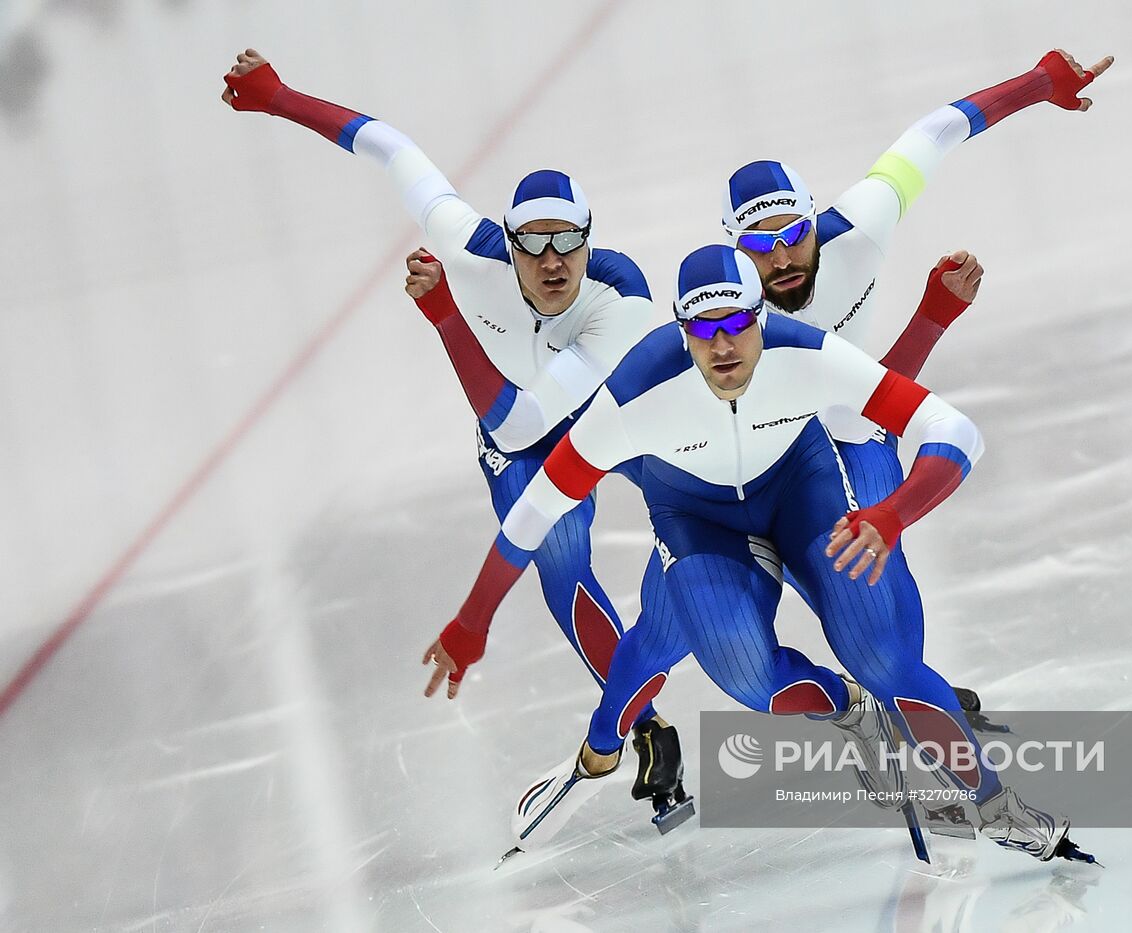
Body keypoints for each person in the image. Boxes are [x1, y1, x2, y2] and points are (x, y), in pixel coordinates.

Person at [424, 246, 1093, 865]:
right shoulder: (631, 398)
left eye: (738, 323)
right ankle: (843, 706)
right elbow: (532, 516)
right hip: (697, 522)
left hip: (800, 491)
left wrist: (891, 514)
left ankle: (996, 805)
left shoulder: (809, 353)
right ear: (681, 331)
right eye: (703, 329)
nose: (722, 346)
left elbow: (956, 432)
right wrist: (472, 621)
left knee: (885, 654)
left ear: (763, 318)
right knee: (738, 673)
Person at [220, 49, 682, 801]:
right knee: (562, 573)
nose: (551, 260)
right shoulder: (474, 252)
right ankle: (649, 726)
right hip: (523, 447)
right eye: (532, 243)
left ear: (591, 240)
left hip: (600, 418)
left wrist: (443, 319)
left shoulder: (620, 296)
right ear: (507, 241)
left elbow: (529, 413)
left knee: (714, 507)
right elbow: (389, 146)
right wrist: (279, 98)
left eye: (568, 240)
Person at [719, 48, 1113, 719]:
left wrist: (1042, 80)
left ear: (816, 220)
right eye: (758, 247)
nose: (781, 259)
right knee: (796, 609)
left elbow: (934, 133)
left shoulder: (862, 226)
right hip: (767, 457)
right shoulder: (721, 315)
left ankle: (904, 687)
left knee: (878, 591)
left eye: (792, 235)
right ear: (733, 249)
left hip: (853, 428)